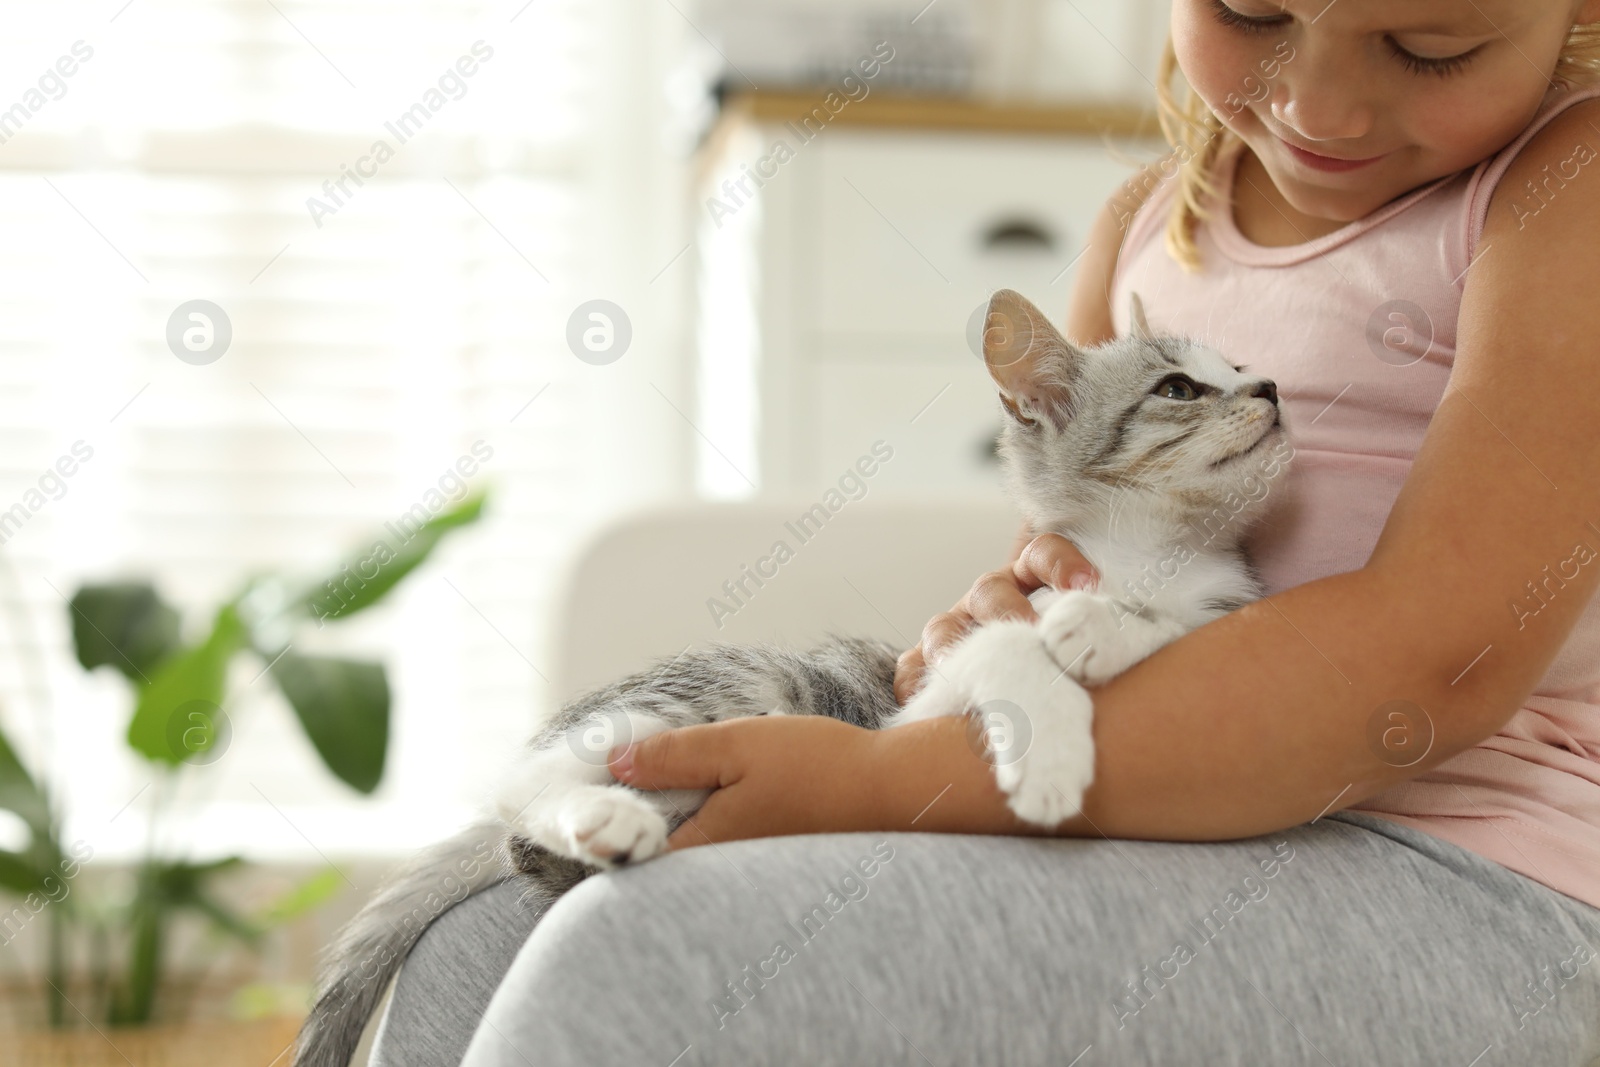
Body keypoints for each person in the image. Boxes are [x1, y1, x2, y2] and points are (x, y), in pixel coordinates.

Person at [370, 2, 1600, 1063]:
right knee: (471, 937)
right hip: (1147, 819)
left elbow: (1435, 659)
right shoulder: (1143, 225)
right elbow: (1060, 560)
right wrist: (1001, 619)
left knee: (638, 954)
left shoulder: (1566, 189)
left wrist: (883, 780)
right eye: (1252, 11)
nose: (1317, 102)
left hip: (1471, 878)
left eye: (1429, 43)